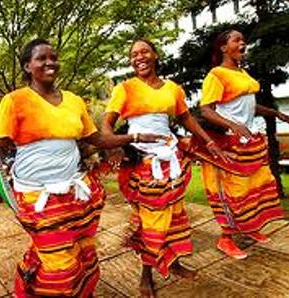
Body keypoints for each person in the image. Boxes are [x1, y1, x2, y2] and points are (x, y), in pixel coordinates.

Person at [0, 38, 165, 297]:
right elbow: (3, 144)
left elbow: (96, 139)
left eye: (53, 57)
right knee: (60, 265)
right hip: (36, 195)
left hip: (77, 192)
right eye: (41, 58)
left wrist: (134, 137)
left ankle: (81, 291)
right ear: (27, 66)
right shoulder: (14, 101)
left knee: (83, 250)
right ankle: (31, 287)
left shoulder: (74, 101)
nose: (50, 62)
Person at [101, 37, 228, 297]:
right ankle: (146, 273)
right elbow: (106, 124)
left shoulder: (173, 89)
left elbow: (186, 119)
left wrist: (208, 142)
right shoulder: (124, 89)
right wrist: (113, 147)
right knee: (150, 219)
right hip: (143, 162)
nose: (139, 57)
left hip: (171, 160)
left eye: (144, 51)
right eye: (134, 54)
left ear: (155, 55)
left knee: (175, 215)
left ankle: (174, 262)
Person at [194, 29, 289, 259]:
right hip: (230, 143)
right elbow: (206, 109)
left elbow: (249, 105)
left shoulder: (242, 73)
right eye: (236, 39)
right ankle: (225, 238)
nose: (242, 42)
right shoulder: (216, 75)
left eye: (243, 39)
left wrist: (275, 114)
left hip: (252, 141)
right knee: (232, 192)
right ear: (224, 47)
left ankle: (250, 228)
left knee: (254, 188)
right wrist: (233, 125)